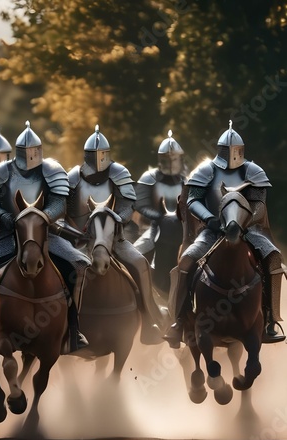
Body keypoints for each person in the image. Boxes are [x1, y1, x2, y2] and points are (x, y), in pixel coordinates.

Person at [0, 121, 90, 358]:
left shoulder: (52, 169)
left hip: (45, 235)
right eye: (27, 152)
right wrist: (5, 216)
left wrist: (41, 218)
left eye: (34, 151)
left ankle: (73, 328)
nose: (31, 155)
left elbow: (60, 201)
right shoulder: (2, 171)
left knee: (79, 264)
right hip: (9, 234)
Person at [163, 121, 285, 348]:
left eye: (237, 150)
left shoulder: (253, 171)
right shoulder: (206, 171)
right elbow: (193, 200)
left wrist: (243, 222)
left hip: (248, 232)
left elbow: (259, 204)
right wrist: (210, 219)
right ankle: (179, 320)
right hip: (211, 232)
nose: (233, 154)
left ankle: (269, 319)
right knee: (187, 261)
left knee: (273, 258)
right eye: (229, 150)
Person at [65, 125, 168, 344]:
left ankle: (150, 319)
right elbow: (66, 209)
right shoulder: (73, 176)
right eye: (93, 155)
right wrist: (76, 232)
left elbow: (129, 205)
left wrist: (113, 221)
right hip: (82, 242)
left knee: (139, 262)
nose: (98, 158)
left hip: (115, 239)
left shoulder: (119, 173)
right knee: (63, 270)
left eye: (101, 154)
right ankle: (65, 323)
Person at [134, 130, 186, 258]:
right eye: (166, 159)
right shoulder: (149, 177)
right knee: (134, 256)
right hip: (153, 228)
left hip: (183, 231)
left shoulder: (187, 180)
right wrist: (160, 216)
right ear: (160, 159)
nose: (171, 162)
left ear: (180, 159)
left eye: (174, 159)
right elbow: (141, 204)